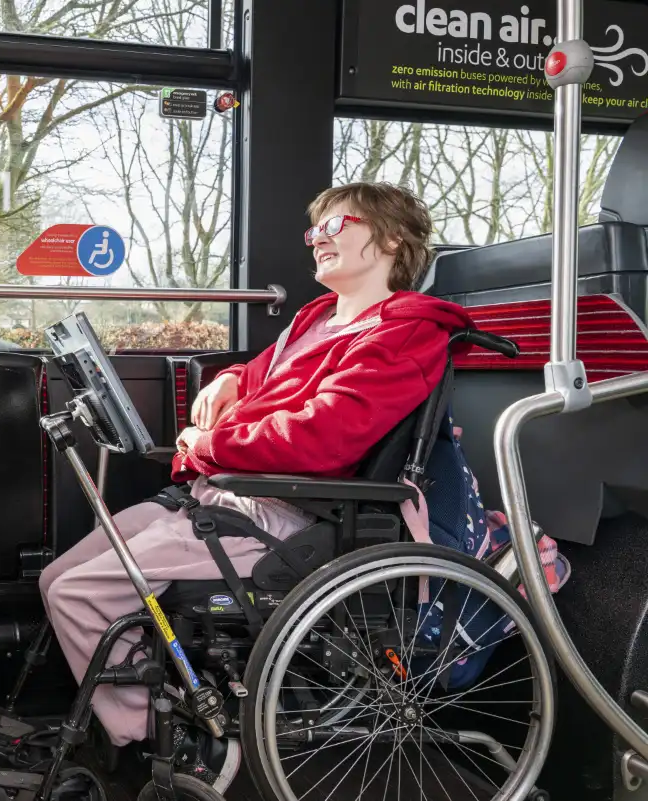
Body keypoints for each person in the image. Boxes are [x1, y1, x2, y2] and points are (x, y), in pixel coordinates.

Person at [37, 181, 475, 753]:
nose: (318, 238)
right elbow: (266, 374)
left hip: (290, 511)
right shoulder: (318, 319)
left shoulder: (404, 332)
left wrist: (210, 444)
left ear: (392, 238)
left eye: (336, 226)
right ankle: (150, 702)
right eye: (313, 229)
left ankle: (145, 738)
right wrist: (230, 379)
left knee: (79, 595)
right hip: (221, 495)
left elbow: (321, 437)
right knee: (53, 579)